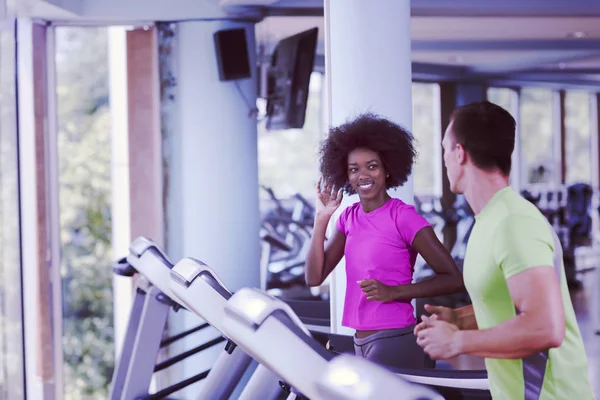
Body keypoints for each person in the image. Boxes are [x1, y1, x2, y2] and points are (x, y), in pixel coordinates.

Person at [414, 101, 594, 399]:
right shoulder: (490, 220)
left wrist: (458, 342)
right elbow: (508, 304)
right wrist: (460, 320)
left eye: (445, 149)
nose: (444, 159)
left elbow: (545, 328)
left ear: (460, 153)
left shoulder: (514, 223)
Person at [305, 112, 465, 369]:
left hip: (394, 338)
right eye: (354, 169)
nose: (363, 175)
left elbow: (453, 278)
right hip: (359, 341)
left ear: (387, 169)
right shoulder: (348, 218)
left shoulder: (403, 217)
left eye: (372, 166)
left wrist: (395, 292)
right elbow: (314, 277)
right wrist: (322, 217)